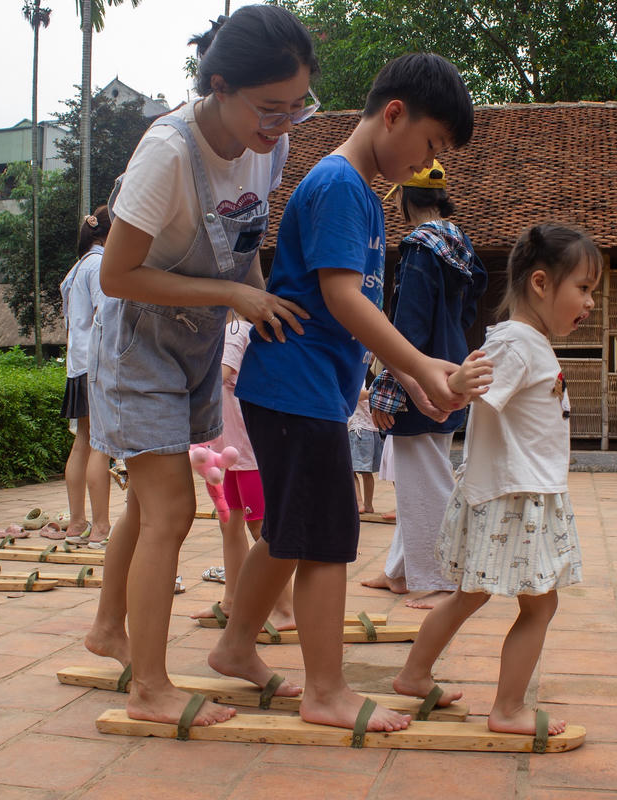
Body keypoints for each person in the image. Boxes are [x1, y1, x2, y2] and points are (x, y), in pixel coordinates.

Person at [207, 52, 485, 734]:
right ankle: (324, 691)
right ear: (394, 114)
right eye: (429, 145)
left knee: (291, 530)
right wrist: (422, 369)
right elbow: (340, 297)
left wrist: (404, 379)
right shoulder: (339, 185)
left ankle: (236, 645)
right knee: (329, 536)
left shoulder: (359, 193)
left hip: (305, 386)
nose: (426, 165)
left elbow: (352, 317)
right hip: (293, 386)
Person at [81, 5, 319, 730]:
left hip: (200, 341)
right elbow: (117, 276)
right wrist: (234, 294)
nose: (280, 127)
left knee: (147, 506)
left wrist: (259, 303)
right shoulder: (166, 153)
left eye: (295, 108)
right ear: (219, 85)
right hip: (139, 343)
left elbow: (242, 235)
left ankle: (108, 630)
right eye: (268, 109)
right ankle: (149, 686)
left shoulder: (267, 146)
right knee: (174, 512)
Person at [392, 223, 600, 738]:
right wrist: (456, 385)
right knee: (539, 603)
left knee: (470, 594)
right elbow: (466, 393)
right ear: (540, 283)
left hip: (519, 492)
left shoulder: (526, 342)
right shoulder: (516, 344)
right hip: (516, 497)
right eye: (584, 288)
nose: (590, 302)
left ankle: (413, 675)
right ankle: (507, 710)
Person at [362, 160, 487, 608]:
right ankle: (398, 570)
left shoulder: (418, 248)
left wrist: (389, 385)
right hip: (450, 363)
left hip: (419, 370)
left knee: (423, 479)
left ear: (403, 198)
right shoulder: (461, 244)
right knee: (426, 467)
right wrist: (452, 333)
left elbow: (408, 325)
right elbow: (474, 298)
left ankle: (440, 578)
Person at [190, 313, 294, 631]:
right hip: (226, 454)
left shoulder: (235, 332)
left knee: (260, 528)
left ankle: (287, 609)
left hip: (248, 453)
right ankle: (231, 601)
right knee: (230, 524)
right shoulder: (220, 334)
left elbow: (216, 376)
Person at [58, 208, 112, 546]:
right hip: (97, 363)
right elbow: (107, 315)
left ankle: (77, 523)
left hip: (77, 365)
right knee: (100, 446)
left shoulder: (76, 269)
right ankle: (102, 526)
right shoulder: (100, 265)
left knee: (83, 442)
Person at [348, 378, 382, 514]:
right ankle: (367, 504)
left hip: (359, 429)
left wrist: (372, 394)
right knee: (365, 472)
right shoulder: (370, 377)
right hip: (369, 429)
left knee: (353, 471)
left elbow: (357, 394)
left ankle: (360, 503)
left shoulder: (356, 377)